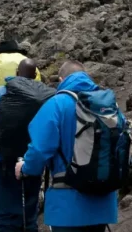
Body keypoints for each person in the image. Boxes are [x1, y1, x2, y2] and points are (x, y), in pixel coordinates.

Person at [15, 61, 119, 232]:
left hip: (67, 204)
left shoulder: (57, 104)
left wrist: (25, 168)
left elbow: (39, 150)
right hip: (103, 201)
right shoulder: (108, 105)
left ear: (62, 78)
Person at [0, 59, 48, 232]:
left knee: (6, 216)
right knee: (30, 214)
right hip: (32, 161)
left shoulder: (0, 94)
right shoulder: (44, 97)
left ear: (16, 73)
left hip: (3, 161)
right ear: (35, 75)